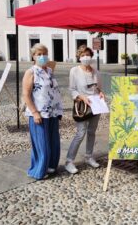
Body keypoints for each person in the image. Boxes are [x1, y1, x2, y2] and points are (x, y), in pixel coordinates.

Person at [22, 43, 63, 180]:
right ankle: (38, 170)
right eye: (39, 54)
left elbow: (53, 91)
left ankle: (51, 166)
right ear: (33, 56)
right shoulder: (30, 72)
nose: (42, 56)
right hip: (39, 113)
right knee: (41, 144)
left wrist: (59, 110)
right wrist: (34, 112)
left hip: (52, 112)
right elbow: (26, 95)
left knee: (53, 142)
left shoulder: (50, 70)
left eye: (44, 53)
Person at [66, 45, 105, 174]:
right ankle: (69, 161)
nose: (85, 58)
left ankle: (89, 156)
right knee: (80, 133)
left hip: (95, 105)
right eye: (82, 55)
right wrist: (81, 97)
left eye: (87, 55)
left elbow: (98, 88)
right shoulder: (74, 71)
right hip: (82, 105)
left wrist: (101, 93)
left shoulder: (96, 72)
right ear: (79, 57)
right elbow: (72, 89)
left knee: (92, 132)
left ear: (91, 56)